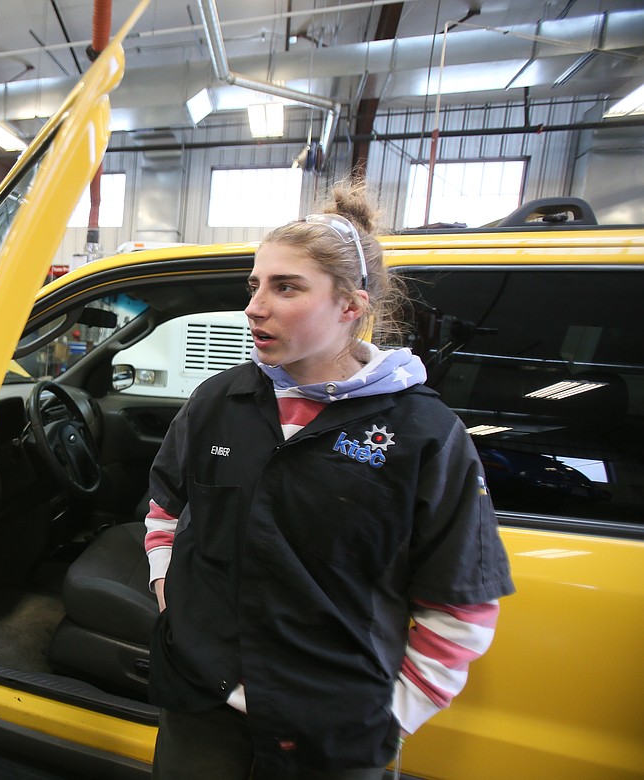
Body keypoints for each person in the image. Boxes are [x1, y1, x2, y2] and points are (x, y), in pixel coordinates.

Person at [143, 182, 515, 779]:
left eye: (286, 287)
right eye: (255, 284)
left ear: (351, 306)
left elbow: (462, 606)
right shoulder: (220, 400)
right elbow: (166, 510)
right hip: (201, 710)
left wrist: (391, 716)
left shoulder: (424, 434)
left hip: (331, 735)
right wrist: (172, 600)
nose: (255, 306)